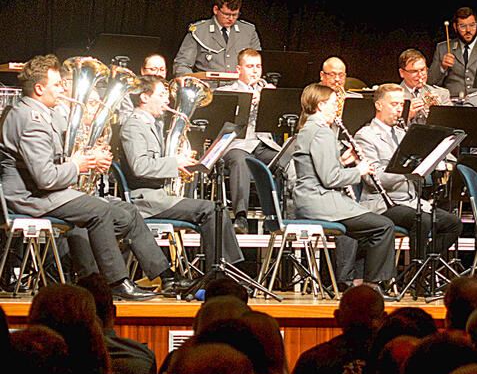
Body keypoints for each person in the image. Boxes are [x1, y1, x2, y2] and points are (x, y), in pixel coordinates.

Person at [0, 55, 180, 300]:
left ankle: (164, 277)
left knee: (123, 212)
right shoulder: (31, 120)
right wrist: (78, 164)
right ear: (39, 88)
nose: (63, 88)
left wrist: (85, 156)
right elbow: (46, 178)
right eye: (57, 84)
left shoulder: (38, 113)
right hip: (32, 197)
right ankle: (116, 282)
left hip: (45, 192)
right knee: (100, 211)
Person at [118, 75, 243, 271]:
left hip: (159, 195)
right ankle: (219, 273)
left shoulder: (153, 124)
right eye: (161, 95)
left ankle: (225, 270)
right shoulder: (134, 126)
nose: (168, 100)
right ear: (144, 97)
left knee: (216, 209)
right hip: (146, 200)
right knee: (211, 210)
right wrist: (175, 162)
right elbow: (140, 166)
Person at [289, 83, 397, 288]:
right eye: (333, 103)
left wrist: (343, 161)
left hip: (309, 200)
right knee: (384, 226)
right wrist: (360, 170)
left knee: (370, 231)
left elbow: (318, 168)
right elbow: (330, 179)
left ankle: (357, 281)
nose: (337, 108)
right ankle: (372, 286)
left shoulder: (307, 129)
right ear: (320, 105)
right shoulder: (323, 132)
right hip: (320, 202)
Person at [352, 84, 462, 258]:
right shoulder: (365, 136)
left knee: (453, 223)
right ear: (379, 105)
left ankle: (422, 266)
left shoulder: (404, 133)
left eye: (401, 105)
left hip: (410, 201)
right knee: (422, 220)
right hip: (383, 203)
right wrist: (406, 170)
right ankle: (417, 275)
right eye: (394, 104)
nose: (398, 110)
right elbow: (374, 180)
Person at [216, 49, 282, 233]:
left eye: (258, 66)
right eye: (250, 66)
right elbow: (221, 124)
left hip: (261, 143)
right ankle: (241, 216)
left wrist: (271, 100)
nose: (255, 71)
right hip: (236, 145)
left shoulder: (267, 90)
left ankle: (279, 215)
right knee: (240, 161)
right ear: (239, 69)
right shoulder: (226, 92)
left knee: (284, 160)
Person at [173, 0, 261, 76]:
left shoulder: (248, 31)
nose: (231, 18)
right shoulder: (198, 31)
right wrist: (195, 84)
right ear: (216, 10)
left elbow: (257, 66)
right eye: (226, 14)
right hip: (209, 88)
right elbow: (182, 65)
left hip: (241, 88)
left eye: (235, 15)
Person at [429, 6, 477, 99]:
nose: (468, 30)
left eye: (472, 25)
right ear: (455, 27)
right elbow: (430, 82)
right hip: (452, 102)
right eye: (463, 26)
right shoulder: (443, 48)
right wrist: (442, 67)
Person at [396, 48, 451, 124]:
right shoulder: (393, 97)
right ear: (402, 73)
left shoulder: (442, 94)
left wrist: (438, 110)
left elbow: (450, 125)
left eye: (422, 70)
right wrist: (407, 116)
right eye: (414, 71)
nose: (420, 75)